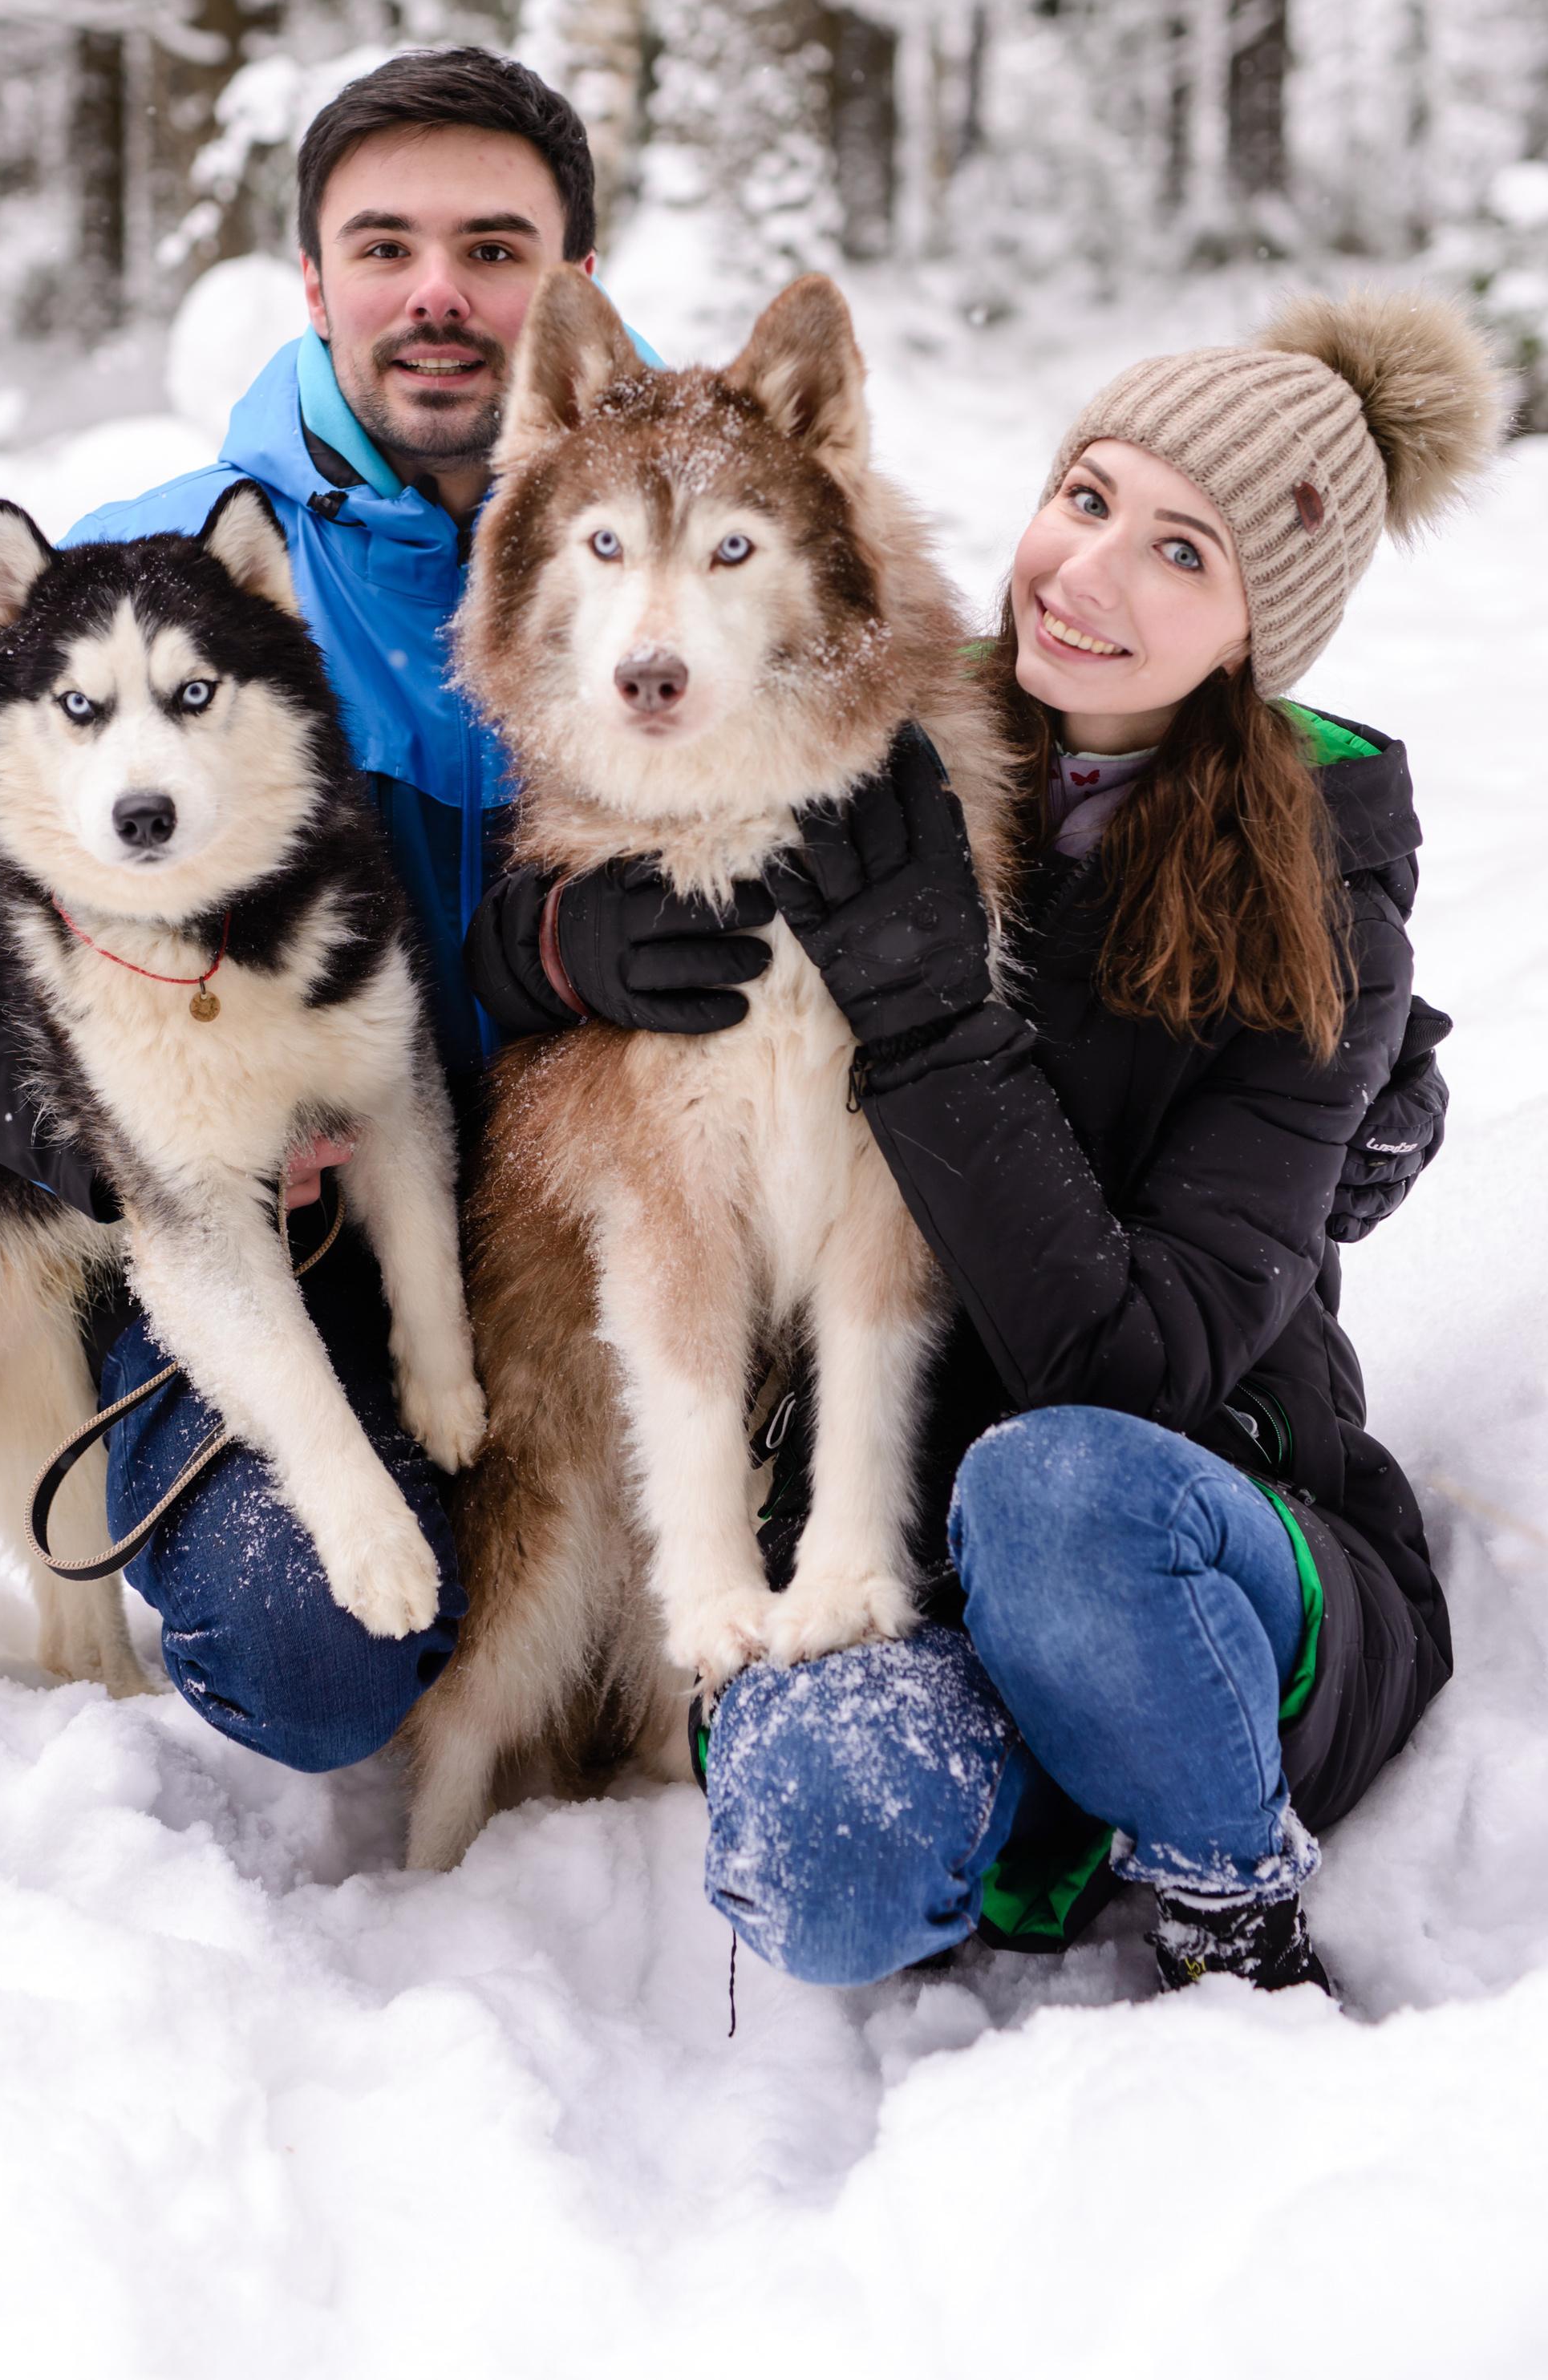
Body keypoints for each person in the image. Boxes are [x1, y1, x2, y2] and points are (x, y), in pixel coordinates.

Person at [472, 288, 1493, 1992]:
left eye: (1182, 554)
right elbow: (602, 816)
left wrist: (933, 1023)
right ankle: (1010, 1819)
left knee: (1054, 1487)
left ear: (1260, 626)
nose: (1087, 576)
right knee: (825, 1865)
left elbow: (1131, 1363)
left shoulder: (1316, 910)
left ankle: (1227, 1893)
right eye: (1084, 500)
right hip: (912, 1542)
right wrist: (558, 948)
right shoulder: (892, 722)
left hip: (1204, 1547)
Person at [0, 46, 633, 1772]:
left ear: (574, 281)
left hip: (595, 1238)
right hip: (261, 1236)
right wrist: (97, 1141)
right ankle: (160, 1435)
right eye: (384, 247)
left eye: (494, 246)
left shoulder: (692, 551)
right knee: (313, 1652)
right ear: (311, 282)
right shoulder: (160, 578)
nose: (439, 294)